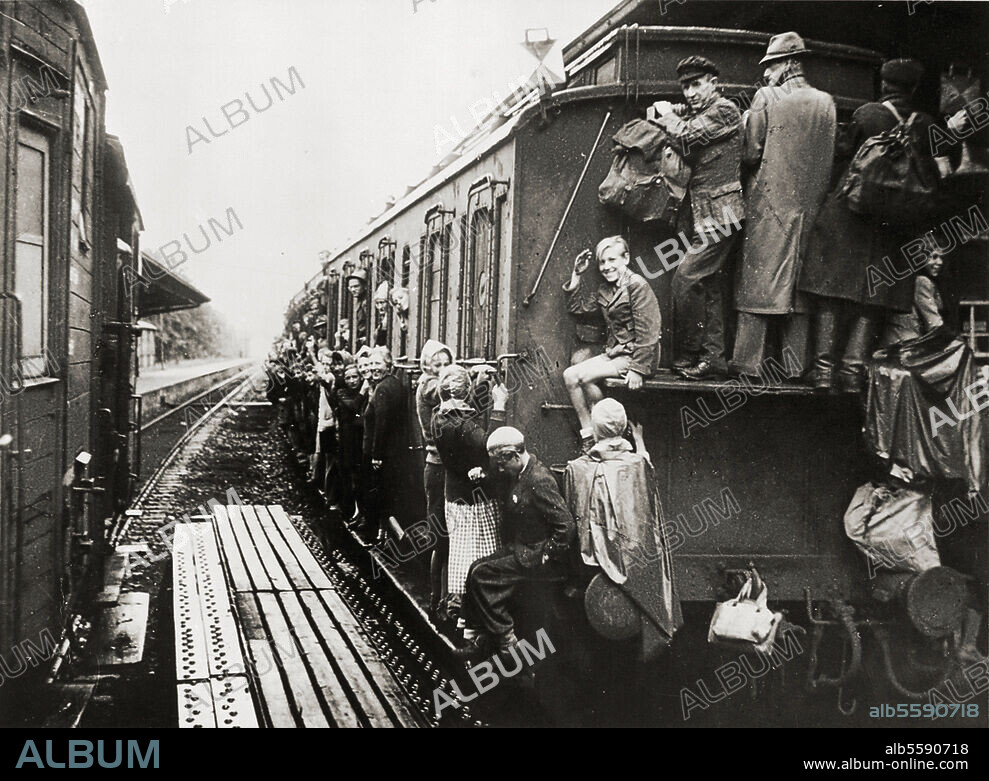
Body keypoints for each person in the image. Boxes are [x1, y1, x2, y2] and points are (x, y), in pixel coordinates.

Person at [800, 58, 937, 392]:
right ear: (915, 89)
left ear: (883, 84)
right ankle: (852, 372)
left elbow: (841, 152)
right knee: (874, 297)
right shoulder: (925, 125)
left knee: (830, 290)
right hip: (892, 224)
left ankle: (821, 371)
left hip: (850, 215)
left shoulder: (867, 114)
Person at [731, 33, 836, 381]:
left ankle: (748, 365)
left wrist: (746, 119)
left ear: (790, 62)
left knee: (758, 285)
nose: (767, 73)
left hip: (769, 207)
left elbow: (750, 152)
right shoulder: (827, 103)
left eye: (772, 65)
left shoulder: (767, 97)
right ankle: (794, 368)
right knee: (799, 292)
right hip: (811, 209)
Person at [649, 56, 745, 381]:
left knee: (685, 280)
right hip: (705, 214)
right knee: (710, 286)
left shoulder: (725, 111)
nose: (690, 92)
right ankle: (713, 359)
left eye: (696, 84)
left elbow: (690, 137)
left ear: (713, 82)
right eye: (685, 86)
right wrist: (672, 114)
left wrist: (666, 115)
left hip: (723, 213)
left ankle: (690, 352)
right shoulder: (700, 113)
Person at [564, 399, 683, 660]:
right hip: (635, 566)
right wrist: (639, 439)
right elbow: (644, 462)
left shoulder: (577, 469)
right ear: (624, 427)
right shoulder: (639, 465)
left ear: (595, 430)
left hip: (593, 571)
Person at [458, 426, 576, 660]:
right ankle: (477, 637)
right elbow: (506, 488)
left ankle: (507, 642)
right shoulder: (520, 472)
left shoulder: (539, 480)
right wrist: (484, 477)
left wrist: (548, 553)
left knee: (482, 574)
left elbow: (566, 525)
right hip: (523, 548)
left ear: (514, 455)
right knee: (475, 568)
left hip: (536, 555)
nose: (500, 469)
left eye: (501, 464)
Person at [563, 236, 661, 451]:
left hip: (635, 356)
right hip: (616, 354)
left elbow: (650, 332)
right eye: (602, 262)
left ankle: (591, 439)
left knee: (573, 376)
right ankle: (595, 434)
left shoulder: (637, 286)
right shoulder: (605, 289)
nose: (606, 267)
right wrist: (576, 274)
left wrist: (638, 370)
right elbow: (578, 308)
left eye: (612, 260)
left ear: (626, 259)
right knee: (581, 380)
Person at [431, 365, 510, 622]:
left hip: (454, 498)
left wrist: (477, 385)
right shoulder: (463, 427)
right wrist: (499, 406)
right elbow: (491, 443)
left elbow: (463, 419)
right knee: (481, 557)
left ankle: (461, 612)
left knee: (462, 556)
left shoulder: (438, 417)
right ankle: (476, 616)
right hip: (476, 502)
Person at [415, 339, 455, 618]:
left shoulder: (436, 384)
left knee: (447, 538)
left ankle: (443, 599)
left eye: (445, 363)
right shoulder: (428, 386)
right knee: (440, 538)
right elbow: (447, 388)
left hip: (444, 467)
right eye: (436, 364)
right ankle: (435, 600)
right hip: (437, 467)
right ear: (427, 367)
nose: (442, 369)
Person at [360, 347, 408, 545]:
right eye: (371, 364)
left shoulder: (383, 389)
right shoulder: (395, 384)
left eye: (378, 363)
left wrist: (376, 455)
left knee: (379, 495)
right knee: (388, 494)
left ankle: (389, 535)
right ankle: (386, 535)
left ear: (388, 365)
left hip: (383, 452)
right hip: (396, 451)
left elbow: (381, 423)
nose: (373, 368)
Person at [883, 244, 945, 345]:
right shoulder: (922, 281)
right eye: (934, 257)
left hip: (897, 340)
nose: (940, 262)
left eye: (941, 258)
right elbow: (934, 323)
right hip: (907, 344)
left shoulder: (912, 279)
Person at [335, 362, 365, 521]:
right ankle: (352, 509)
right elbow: (354, 406)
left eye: (355, 377)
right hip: (348, 441)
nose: (352, 381)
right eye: (348, 378)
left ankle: (360, 511)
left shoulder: (363, 394)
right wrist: (363, 391)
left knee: (361, 477)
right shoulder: (342, 392)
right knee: (350, 476)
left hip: (360, 439)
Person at [313, 349, 339, 507]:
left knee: (330, 461)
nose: (327, 366)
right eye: (324, 363)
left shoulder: (330, 378)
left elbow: (322, 376)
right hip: (324, 422)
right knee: (327, 459)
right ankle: (327, 494)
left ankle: (330, 497)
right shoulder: (326, 378)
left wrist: (311, 354)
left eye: (329, 364)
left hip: (329, 424)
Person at [347, 268, 370, 349]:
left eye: (356, 286)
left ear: (364, 286)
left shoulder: (366, 302)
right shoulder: (359, 300)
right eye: (351, 287)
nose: (353, 290)